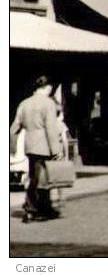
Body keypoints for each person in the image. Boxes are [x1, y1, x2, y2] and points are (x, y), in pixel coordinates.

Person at [10, 76, 65, 221]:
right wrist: (57, 150)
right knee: (42, 179)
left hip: (30, 145)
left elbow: (14, 127)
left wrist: (12, 147)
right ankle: (34, 208)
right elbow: (51, 128)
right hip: (44, 145)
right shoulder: (48, 104)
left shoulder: (24, 103)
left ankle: (40, 208)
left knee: (36, 176)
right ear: (47, 88)